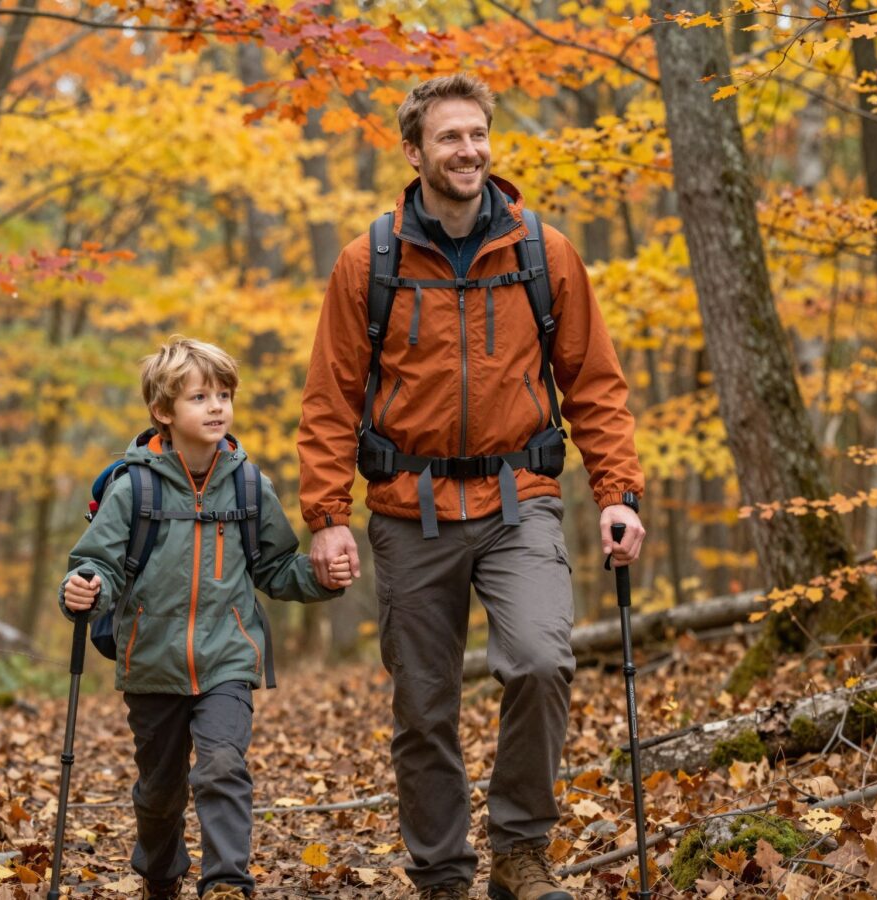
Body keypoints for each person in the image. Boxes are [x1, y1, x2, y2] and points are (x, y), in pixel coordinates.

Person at [297, 75, 646, 900]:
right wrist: (325, 515)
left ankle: (520, 852)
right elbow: (330, 399)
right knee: (424, 707)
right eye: (449, 138)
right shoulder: (368, 261)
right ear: (414, 152)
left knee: (537, 662)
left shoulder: (542, 251)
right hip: (406, 512)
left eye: (478, 134)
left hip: (519, 499)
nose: (469, 150)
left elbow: (594, 384)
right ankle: (444, 876)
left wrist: (618, 493)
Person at [62, 336, 353, 900]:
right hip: (152, 663)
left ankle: (225, 884)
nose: (217, 406)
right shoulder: (133, 488)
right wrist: (84, 590)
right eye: (200, 397)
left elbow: (273, 567)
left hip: (227, 658)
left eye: (224, 394)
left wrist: (320, 578)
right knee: (160, 792)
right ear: (163, 412)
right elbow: (97, 564)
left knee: (221, 765)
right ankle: (162, 873)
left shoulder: (249, 485)